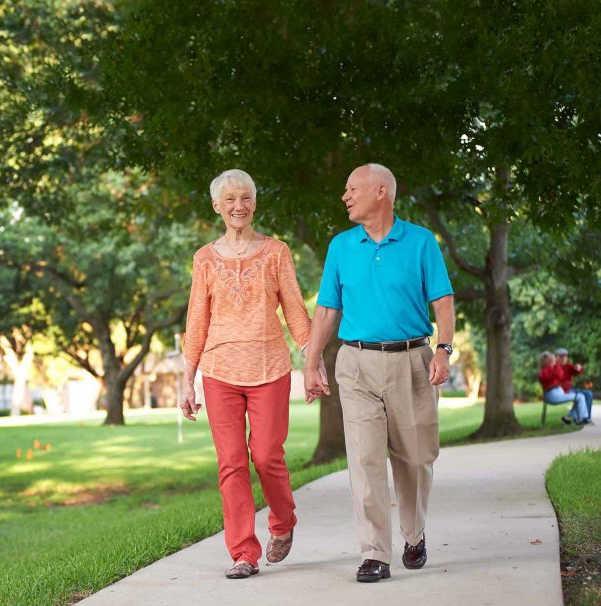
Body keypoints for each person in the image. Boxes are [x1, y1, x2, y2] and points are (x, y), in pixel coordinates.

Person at [303, 163, 455, 583]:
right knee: (365, 460)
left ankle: (414, 534)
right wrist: (312, 360)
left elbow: (442, 301)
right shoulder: (341, 246)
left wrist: (443, 349)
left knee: (416, 458)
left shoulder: (421, 242)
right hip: (356, 363)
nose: (345, 196)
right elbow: (328, 309)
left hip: (412, 361)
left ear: (381, 192)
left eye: (353, 189)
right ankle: (374, 554)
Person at [180, 169, 322, 579]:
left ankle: (283, 521)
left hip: (269, 367)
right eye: (230, 200)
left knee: (266, 456)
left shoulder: (276, 252)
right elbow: (197, 318)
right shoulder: (205, 258)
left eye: (245, 198)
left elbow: (295, 310)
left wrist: (312, 360)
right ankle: (244, 552)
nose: (238, 206)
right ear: (217, 207)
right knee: (231, 462)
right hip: (219, 370)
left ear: (254, 203)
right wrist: (187, 378)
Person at [541, 351, 590, 425]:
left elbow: (559, 375)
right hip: (553, 395)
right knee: (580, 396)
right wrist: (555, 365)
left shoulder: (550, 368)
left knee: (580, 397)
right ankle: (583, 419)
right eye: (552, 359)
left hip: (557, 393)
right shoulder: (545, 370)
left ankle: (570, 418)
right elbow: (554, 377)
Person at [554, 348, 592, 424]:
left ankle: (584, 418)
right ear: (555, 357)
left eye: (565, 356)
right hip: (561, 391)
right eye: (561, 356)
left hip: (570, 389)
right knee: (580, 396)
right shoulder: (553, 367)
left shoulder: (567, 366)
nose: (564, 358)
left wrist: (579, 368)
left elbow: (577, 371)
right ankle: (580, 419)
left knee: (588, 394)